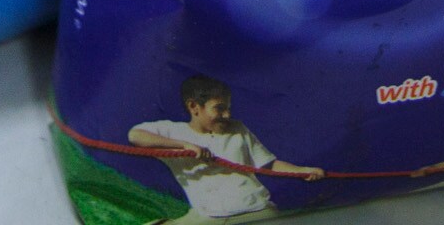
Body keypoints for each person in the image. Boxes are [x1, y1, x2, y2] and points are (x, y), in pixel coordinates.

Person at [126, 74, 324, 220]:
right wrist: (185, 145)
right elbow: (135, 136)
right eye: (219, 108)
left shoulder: (238, 129)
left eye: (228, 108)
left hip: (253, 211)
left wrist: (301, 171)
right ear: (194, 107)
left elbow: (268, 165)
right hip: (207, 217)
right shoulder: (172, 131)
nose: (227, 115)